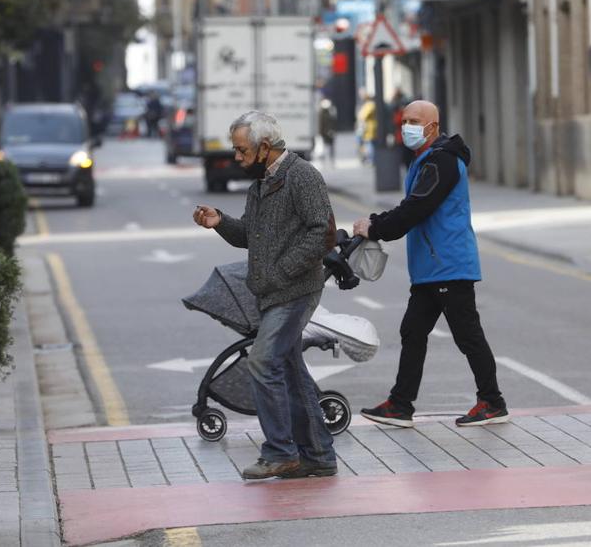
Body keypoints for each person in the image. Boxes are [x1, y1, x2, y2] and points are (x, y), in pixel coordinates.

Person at [193, 110, 338, 479]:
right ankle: (319, 455)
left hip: (296, 290)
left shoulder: (302, 176)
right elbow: (251, 236)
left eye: (242, 151)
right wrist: (220, 222)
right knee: (290, 371)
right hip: (272, 292)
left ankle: (280, 451)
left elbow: (322, 233)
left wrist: (282, 270)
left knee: (262, 361)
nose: (236, 158)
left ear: (265, 148)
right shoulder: (261, 184)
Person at [352, 100, 509, 428]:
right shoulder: (425, 160)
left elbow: (417, 209)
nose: (406, 126)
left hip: (449, 265)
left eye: (414, 121)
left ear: (433, 127)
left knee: (467, 334)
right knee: (413, 331)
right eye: (404, 120)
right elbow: (412, 205)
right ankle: (400, 405)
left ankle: (492, 402)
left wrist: (377, 227)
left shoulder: (443, 162)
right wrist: (378, 220)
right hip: (431, 268)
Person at [356, 90, 377, 164]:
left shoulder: (370, 105)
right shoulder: (368, 104)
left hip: (369, 128)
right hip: (367, 128)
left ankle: (371, 159)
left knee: (370, 144)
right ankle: (368, 158)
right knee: (368, 144)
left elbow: (363, 116)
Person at [318, 98, 337, 164]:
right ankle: (330, 159)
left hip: (326, 132)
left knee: (326, 146)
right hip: (328, 132)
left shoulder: (322, 113)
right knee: (329, 147)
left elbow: (321, 124)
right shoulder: (330, 113)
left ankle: (328, 159)